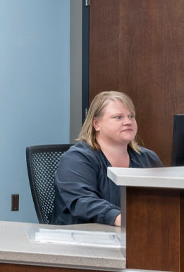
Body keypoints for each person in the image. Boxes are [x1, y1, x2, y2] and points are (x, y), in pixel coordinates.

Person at [55, 90, 161, 227]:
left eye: (131, 116)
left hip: (136, 234)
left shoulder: (148, 158)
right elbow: (83, 201)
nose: (128, 122)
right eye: (118, 117)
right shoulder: (76, 159)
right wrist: (120, 218)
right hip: (83, 238)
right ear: (96, 124)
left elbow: (166, 198)